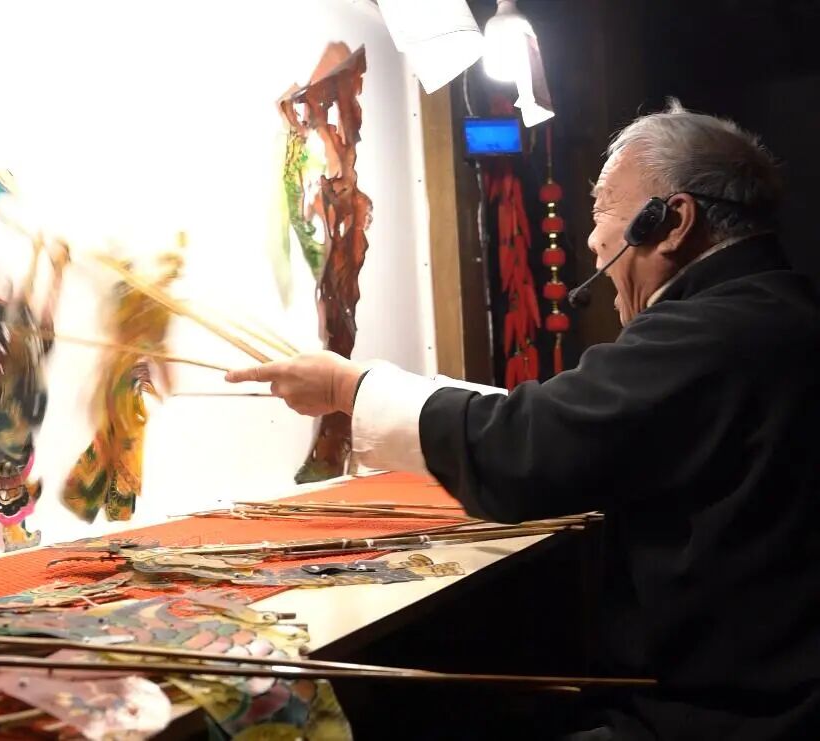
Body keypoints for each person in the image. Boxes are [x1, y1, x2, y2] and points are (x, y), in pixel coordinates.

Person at [226, 100, 820, 740]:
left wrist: (346, 388)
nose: (592, 239)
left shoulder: (713, 332)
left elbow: (524, 449)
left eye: (604, 210)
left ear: (670, 221)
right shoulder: (777, 309)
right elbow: (575, 422)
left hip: (734, 719)